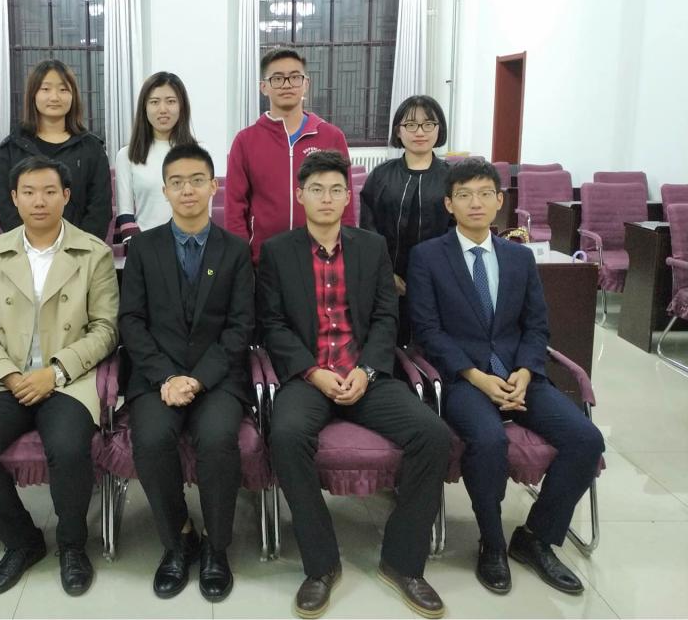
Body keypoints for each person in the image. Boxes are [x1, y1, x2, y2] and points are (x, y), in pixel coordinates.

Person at [257, 150, 450, 619]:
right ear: (300, 196)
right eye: (316, 190)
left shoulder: (371, 247)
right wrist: (312, 372)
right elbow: (272, 324)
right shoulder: (278, 252)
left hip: (367, 375)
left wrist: (366, 370)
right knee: (285, 436)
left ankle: (402, 562)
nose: (326, 198)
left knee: (433, 435)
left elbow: (386, 316)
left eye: (336, 189)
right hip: (310, 376)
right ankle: (321, 564)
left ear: (348, 197)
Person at [407, 159, 604, 597]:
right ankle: (492, 542)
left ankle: (536, 538)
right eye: (464, 195)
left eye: (484, 194)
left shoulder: (518, 257)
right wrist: (478, 377)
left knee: (586, 439)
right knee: (489, 440)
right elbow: (428, 331)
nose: (475, 203)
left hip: (520, 376)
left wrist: (524, 372)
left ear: (500, 201)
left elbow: (536, 325)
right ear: (449, 204)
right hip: (463, 380)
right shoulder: (428, 257)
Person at [0, 155, 119, 598]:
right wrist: (7, 374)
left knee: (69, 448)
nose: (39, 201)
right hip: (5, 377)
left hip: (68, 377)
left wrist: (55, 372)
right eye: (28, 192)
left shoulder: (93, 253)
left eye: (48, 191)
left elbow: (105, 329)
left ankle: (72, 545)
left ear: (66, 196)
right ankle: (22, 540)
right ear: (14, 198)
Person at [119, 143, 254, 602]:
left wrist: (198, 379)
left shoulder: (235, 251)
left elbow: (240, 327)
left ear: (213, 186)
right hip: (156, 375)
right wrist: (165, 377)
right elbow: (131, 321)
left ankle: (217, 545)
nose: (188, 190)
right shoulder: (143, 248)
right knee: (152, 439)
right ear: (165, 191)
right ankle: (178, 537)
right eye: (177, 182)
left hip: (218, 376)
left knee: (217, 439)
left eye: (197, 180)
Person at [226, 47, 354, 263]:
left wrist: (346, 255)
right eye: (277, 78)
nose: (287, 85)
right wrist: (241, 260)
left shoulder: (332, 136)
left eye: (295, 77)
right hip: (264, 259)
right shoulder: (245, 141)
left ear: (306, 83)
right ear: (264, 87)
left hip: (322, 258)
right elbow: (235, 208)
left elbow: (345, 202)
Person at [360, 95, 452, 343]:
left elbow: (457, 231)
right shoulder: (380, 176)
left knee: (432, 344)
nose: (419, 132)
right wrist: (385, 274)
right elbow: (368, 230)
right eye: (410, 125)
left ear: (439, 129)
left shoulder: (453, 178)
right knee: (390, 342)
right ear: (398, 131)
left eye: (428, 124)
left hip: (441, 282)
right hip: (387, 283)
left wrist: (435, 276)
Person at [0, 59, 112, 241]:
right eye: (46, 89)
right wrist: (33, 247)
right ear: (33, 94)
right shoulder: (11, 148)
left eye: (63, 90)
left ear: (73, 96)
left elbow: (100, 208)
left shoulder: (91, 148)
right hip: (26, 251)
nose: (55, 97)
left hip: (80, 251)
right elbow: (6, 207)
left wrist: (79, 248)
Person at [114, 72, 198, 242]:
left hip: (191, 247)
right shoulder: (127, 155)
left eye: (171, 101)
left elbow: (203, 213)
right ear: (144, 107)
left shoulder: (199, 153)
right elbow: (125, 215)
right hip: (143, 247)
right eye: (154, 102)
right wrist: (143, 251)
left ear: (182, 106)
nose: (163, 109)